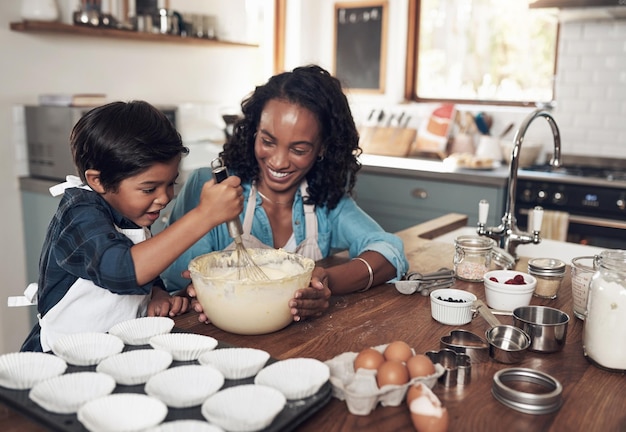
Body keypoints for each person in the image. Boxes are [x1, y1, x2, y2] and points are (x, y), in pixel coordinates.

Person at [161, 64, 409, 322]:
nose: (278, 162)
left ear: (322, 147)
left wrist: (324, 281)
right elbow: (174, 281)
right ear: (254, 130)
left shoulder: (324, 201)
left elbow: (390, 251)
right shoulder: (211, 187)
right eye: (267, 141)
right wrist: (196, 292)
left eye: (299, 149)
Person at [21, 100, 243, 352]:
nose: (164, 197)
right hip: (62, 357)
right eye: (149, 189)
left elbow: (145, 261)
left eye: (171, 183)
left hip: (114, 351)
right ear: (98, 180)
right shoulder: (79, 215)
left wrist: (157, 293)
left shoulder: (128, 209)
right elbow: (121, 269)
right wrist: (204, 215)